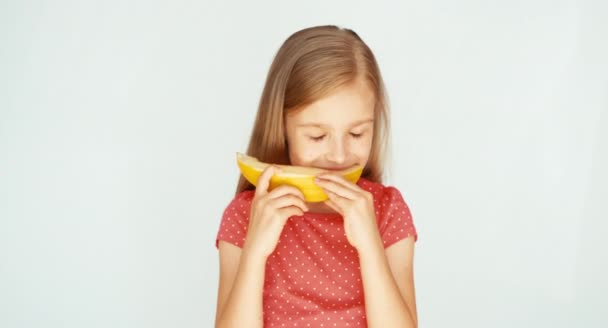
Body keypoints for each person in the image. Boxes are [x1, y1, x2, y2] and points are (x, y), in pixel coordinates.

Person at [214, 25, 418, 328]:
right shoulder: (246, 215)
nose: (338, 155)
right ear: (283, 128)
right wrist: (255, 253)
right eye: (317, 136)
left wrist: (370, 245)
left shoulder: (387, 210)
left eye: (357, 132)